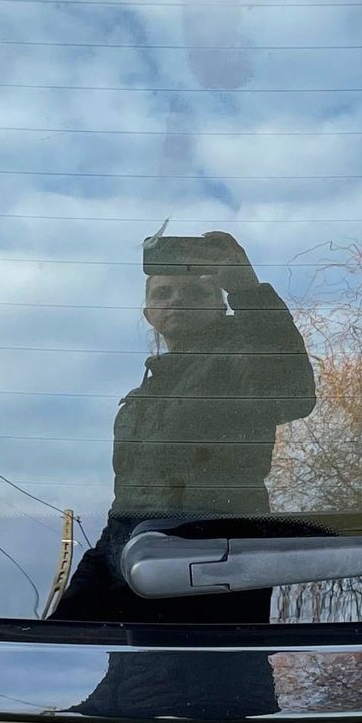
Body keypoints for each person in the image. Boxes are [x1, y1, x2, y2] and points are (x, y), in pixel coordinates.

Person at [51, 230, 316, 626]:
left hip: (215, 573)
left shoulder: (241, 362)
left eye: (194, 292)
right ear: (148, 313)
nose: (176, 300)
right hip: (131, 567)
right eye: (163, 293)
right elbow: (127, 509)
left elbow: (292, 391)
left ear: (220, 306)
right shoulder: (142, 396)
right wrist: (73, 610)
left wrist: (246, 289)